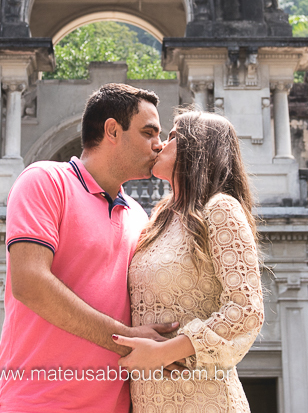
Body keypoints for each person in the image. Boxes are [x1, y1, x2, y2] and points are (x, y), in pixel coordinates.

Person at [0, 83, 179, 413]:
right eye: (148, 132)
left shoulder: (138, 216)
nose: (158, 144)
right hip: (35, 404)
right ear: (112, 130)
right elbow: (29, 282)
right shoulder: (46, 181)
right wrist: (126, 340)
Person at [114, 110, 265, 412]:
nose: (159, 144)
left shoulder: (220, 208)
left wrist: (165, 352)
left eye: (171, 137)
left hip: (205, 398)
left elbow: (246, 309)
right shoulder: (160, 218)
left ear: (197, 147)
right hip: (151, 400)